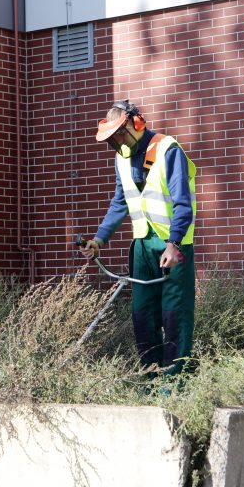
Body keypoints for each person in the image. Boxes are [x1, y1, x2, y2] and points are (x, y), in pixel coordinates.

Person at [80, 99, 197, 380]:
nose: (118, 142)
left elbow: (183, 203)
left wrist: (175, 243)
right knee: (143, 317)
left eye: (120, 134)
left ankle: (174, 382)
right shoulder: (121, 158)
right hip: (142, 246)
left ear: (136, 123)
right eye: (112, 138)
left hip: (172, 246)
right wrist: (99, 239)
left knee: (174, 316)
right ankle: (150, 379)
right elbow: (120, 201)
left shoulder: (168, 149)